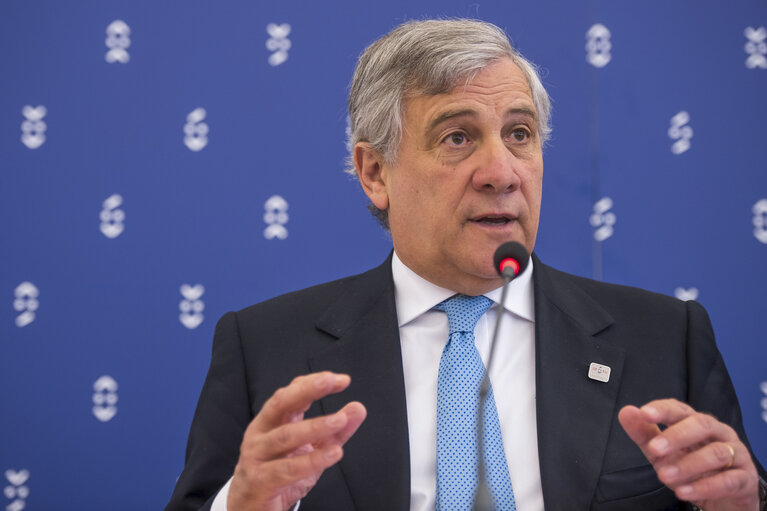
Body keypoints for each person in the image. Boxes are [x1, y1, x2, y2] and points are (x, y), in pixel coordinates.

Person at [166, 19, 766, 511]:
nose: (502, 172)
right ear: (376, 173)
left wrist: (745, 505)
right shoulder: (266, 347)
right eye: (457, 137)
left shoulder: (666, 339)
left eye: (520, 134)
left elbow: (737, 492)